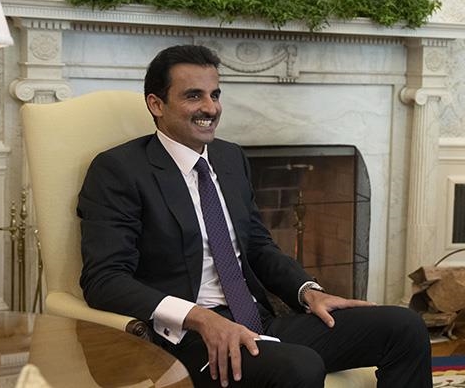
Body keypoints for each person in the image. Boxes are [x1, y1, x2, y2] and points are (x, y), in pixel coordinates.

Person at [77, 44, 432, 388]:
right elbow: (104, 280)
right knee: (300, 366)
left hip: (255, 320)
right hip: (187, 339)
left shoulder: (230, 158)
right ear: (156, 104)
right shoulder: (119, 170)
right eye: (194, 96)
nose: (210, 108)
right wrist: (200, 317)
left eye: (215, 95)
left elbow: (259, 247)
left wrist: (308, 292)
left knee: (404, 327)